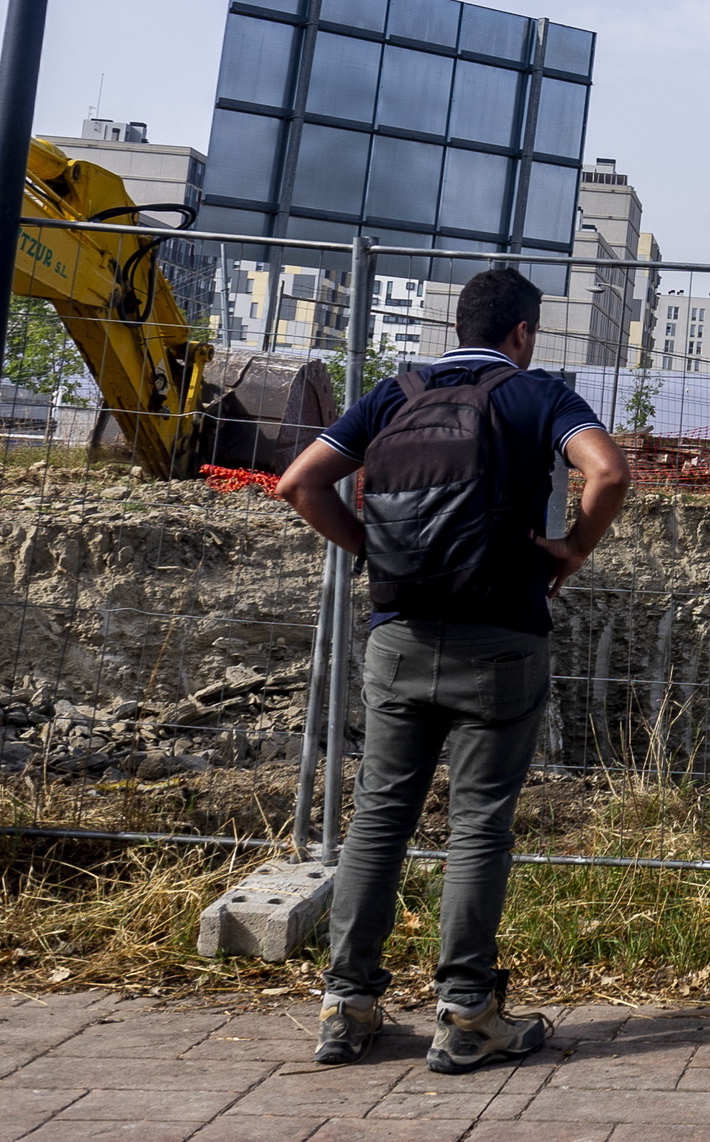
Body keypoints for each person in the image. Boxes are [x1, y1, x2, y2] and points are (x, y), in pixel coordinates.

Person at [270, 266, 630, 1073]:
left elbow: (298, 483)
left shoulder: (394, 395)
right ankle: (467, 1014)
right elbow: (607, 471)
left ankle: (345, 1007)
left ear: (456, 326)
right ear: (523, 334)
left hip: (399, 636)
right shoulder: (535, 395)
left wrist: (372, 549)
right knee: (477, 825)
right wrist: (573, 547)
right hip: (500, 640)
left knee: (377, 820)